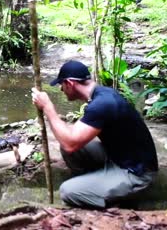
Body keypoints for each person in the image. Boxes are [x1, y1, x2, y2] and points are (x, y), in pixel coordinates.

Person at [31, 60, 158, 209]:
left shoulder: (102, 104)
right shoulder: (102, 95)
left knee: (67, 191)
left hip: (136, 173)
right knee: (70, 148)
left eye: (62, 84)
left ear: (70, 84)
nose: (61, 89)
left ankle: (104, 198)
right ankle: (93, 184)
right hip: (119, 158)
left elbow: (70, 143)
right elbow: (72, 138)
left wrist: (48, 107)